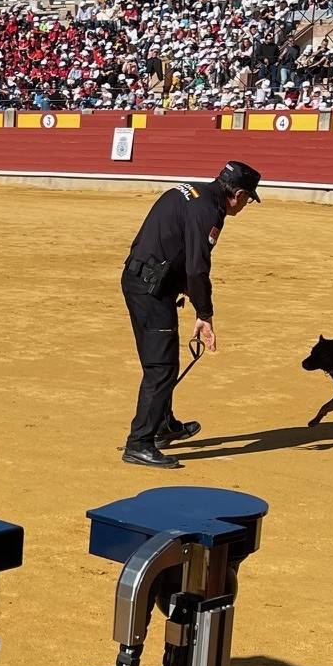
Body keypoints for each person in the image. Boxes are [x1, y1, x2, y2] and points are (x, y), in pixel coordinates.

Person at [119, 161, 261, 469]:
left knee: (160, 361)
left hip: (141, 280)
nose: (247, 204)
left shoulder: (187, 191)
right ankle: (140, 443)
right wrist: (204, 313)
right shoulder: (209, 210)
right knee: (161, 368)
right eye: (249, 198)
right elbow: (197, 267)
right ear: (236, 194)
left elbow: (162, 243)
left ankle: (163, 423)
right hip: (151, 290)